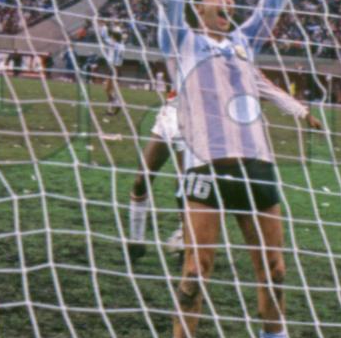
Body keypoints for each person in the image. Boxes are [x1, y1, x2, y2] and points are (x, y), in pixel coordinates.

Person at [151, 0, 320, 338]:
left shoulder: (246, 42)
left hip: (257, 167)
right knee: (197, 268)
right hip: (205, 168)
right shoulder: (181, 42)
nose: (227, 0)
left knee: (273, 267)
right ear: (200, 5)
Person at [125, 69, 323, 262]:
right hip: (169, 116)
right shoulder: (190, 48)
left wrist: (304, 114)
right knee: (141, 179)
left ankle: (185, 237)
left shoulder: (238, 63)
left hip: (196, 126)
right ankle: (136, 239)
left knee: (186, 185)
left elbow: (269, 89)